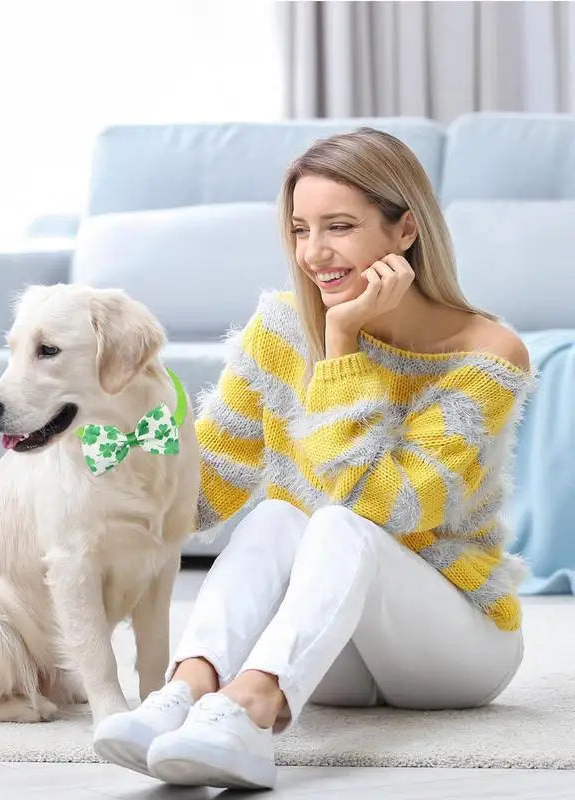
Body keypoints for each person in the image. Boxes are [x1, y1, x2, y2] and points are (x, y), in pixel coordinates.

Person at [92, 128, 534, 791]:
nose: (313, 253)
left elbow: (388, 507)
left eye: (340, 227)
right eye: (300, 229)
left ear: (405, 231)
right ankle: (184, 694)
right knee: (274, 518)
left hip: (456, 646)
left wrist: (341, 346)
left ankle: (251, 710)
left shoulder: (488, 353)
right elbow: (207, 488)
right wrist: (109, 455)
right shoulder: (276, 332)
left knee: (334, 522)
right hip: (330, 651)